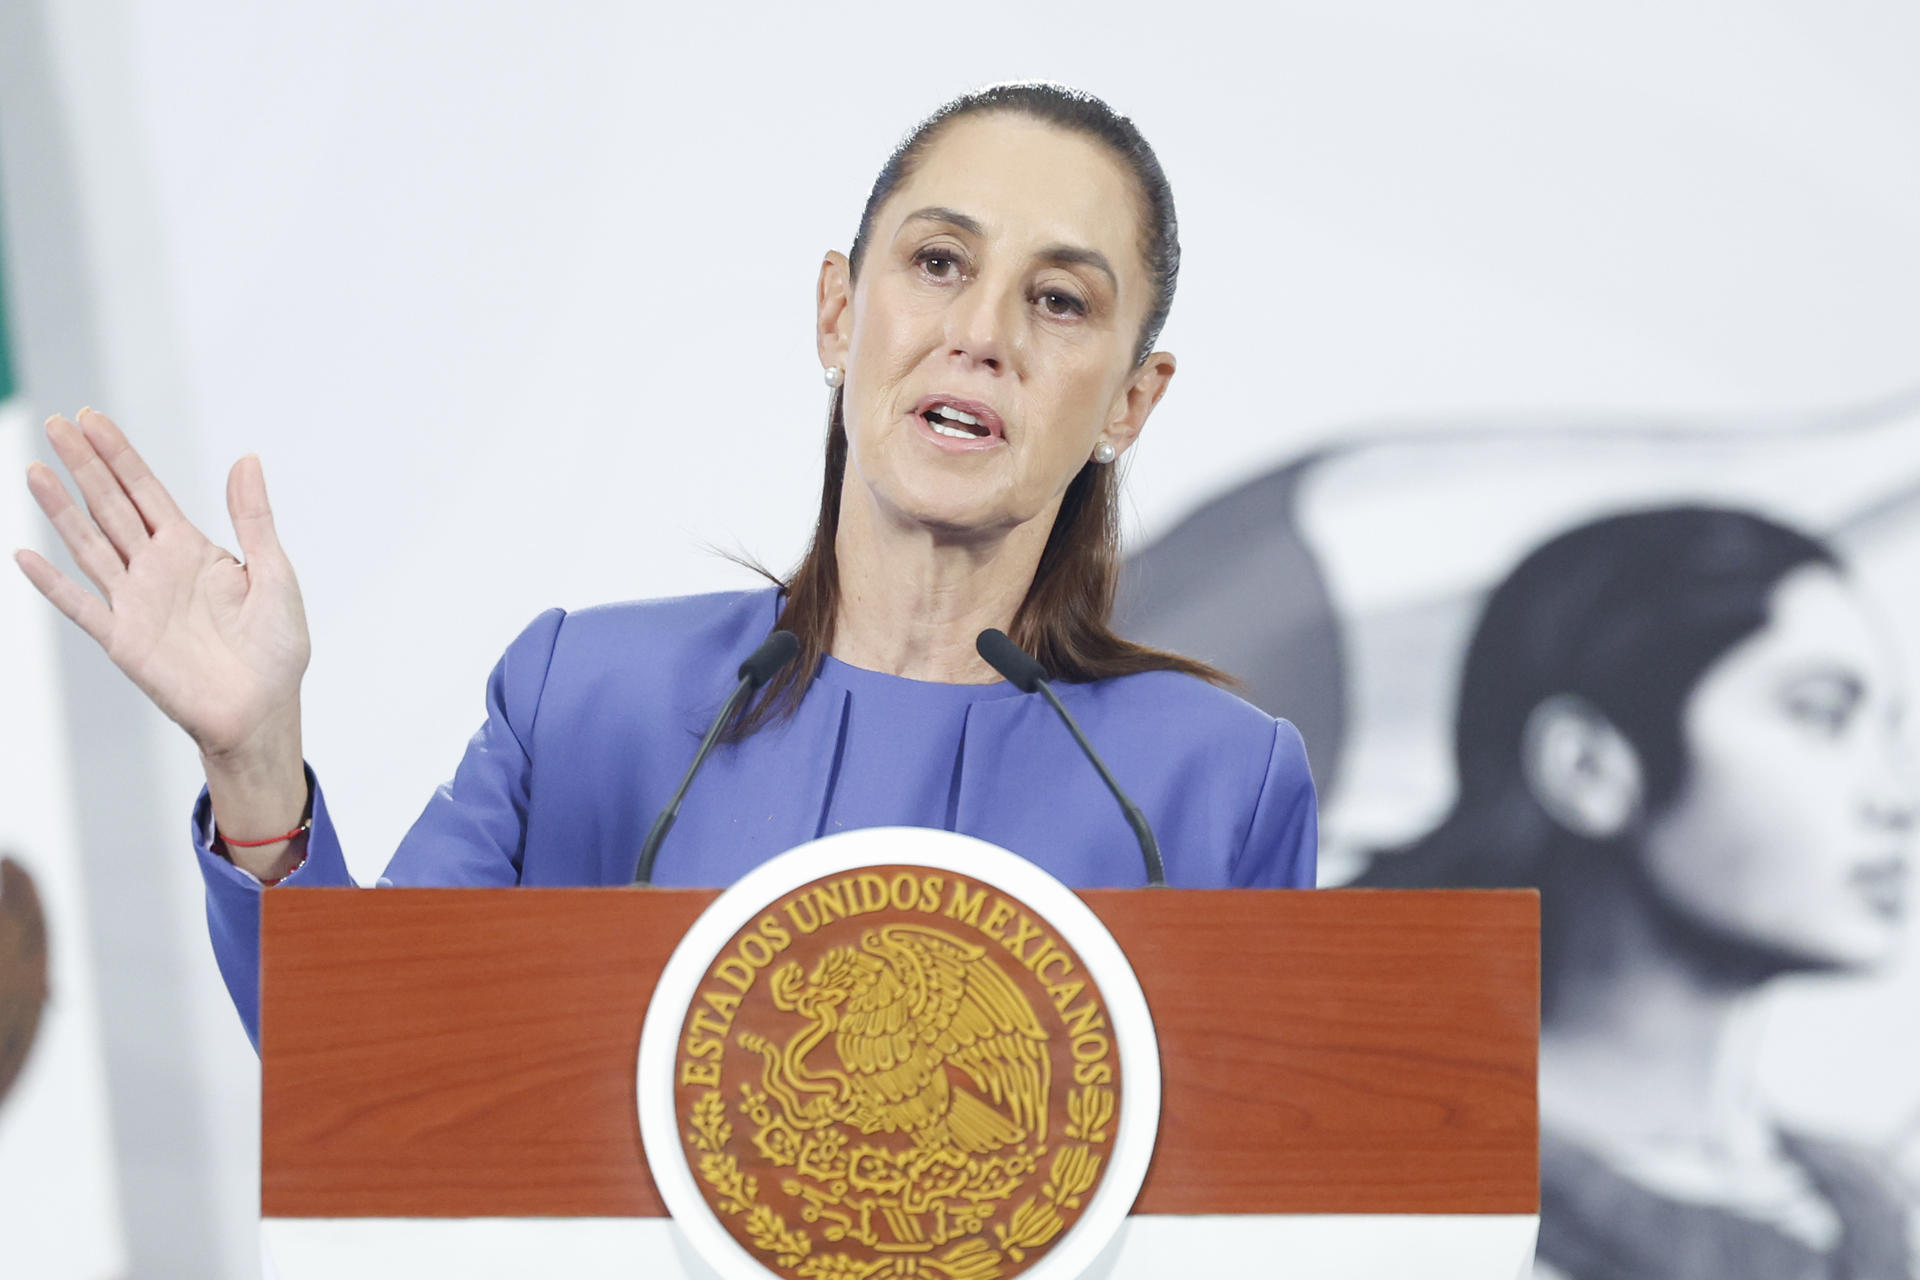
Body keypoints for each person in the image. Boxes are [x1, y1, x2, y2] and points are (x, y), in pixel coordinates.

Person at [14, 84, 1318, 1045]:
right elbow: (365, 1061)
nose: (981, 334)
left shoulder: (1214, 785)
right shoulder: (587, 697)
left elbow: (1279, 1200)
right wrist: (254, 760)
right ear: (837, 310)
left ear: (1130, 404)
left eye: (1059, 299)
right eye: (938, 263)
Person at [1358, 506, 1917, 1279]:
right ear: (1587, 766)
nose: (1896, 800)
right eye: (1821, 715)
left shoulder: (1869, 1201)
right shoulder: (1398, 1203)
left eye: (1889, 731)